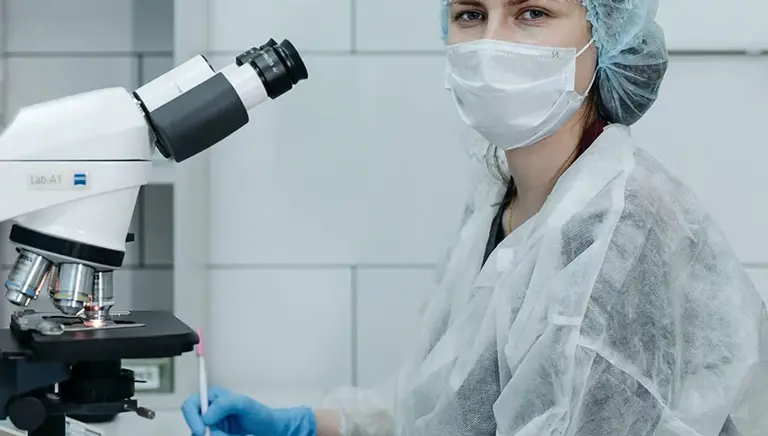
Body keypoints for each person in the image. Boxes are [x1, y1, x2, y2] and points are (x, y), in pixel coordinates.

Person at [182, 0, 767, 434]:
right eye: (469, 14)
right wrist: (311, 424)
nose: (490, 44)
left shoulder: (621, 232)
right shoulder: (502, 198)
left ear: (604, 42)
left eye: (531, 12)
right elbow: (444, 403)